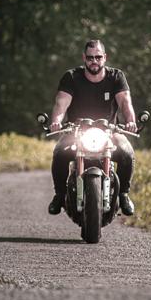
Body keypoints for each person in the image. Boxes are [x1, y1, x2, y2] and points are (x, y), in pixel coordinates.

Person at [46, 39, 137, 216]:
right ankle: (59, 195)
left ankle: (124, 194)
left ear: (105, 57)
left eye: (98, 57)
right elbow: (61, 103)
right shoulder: (71, 77)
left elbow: (125, 102)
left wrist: (131, 121)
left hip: (109, 132)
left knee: (126, 152)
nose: (94, 61)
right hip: (77, 131)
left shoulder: (116, 77)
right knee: (59, 152)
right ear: (84, 58)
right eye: (90, 58)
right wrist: (56, 121)